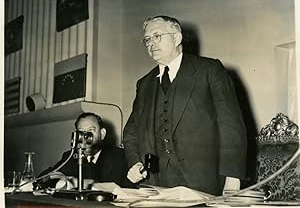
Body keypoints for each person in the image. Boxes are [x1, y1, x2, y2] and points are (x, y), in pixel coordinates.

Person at [123, 15, 247, 196]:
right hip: (156, 188)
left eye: (157, 36)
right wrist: (135, 163)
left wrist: (233, 180)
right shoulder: (144, 84)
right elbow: (131, 132)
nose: (151, 43)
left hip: (204, 184)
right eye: (147, 39)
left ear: (176, 38)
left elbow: (231, 127)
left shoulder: (209, 70)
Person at [36, 112, 132, 189]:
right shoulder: (71, 156)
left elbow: (131, 190)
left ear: (102, 134)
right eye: (81, 132)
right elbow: (43, 178)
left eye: (91, 130)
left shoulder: (120, 156)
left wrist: (93, 185)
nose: (85, 137)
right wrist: (70, 181)